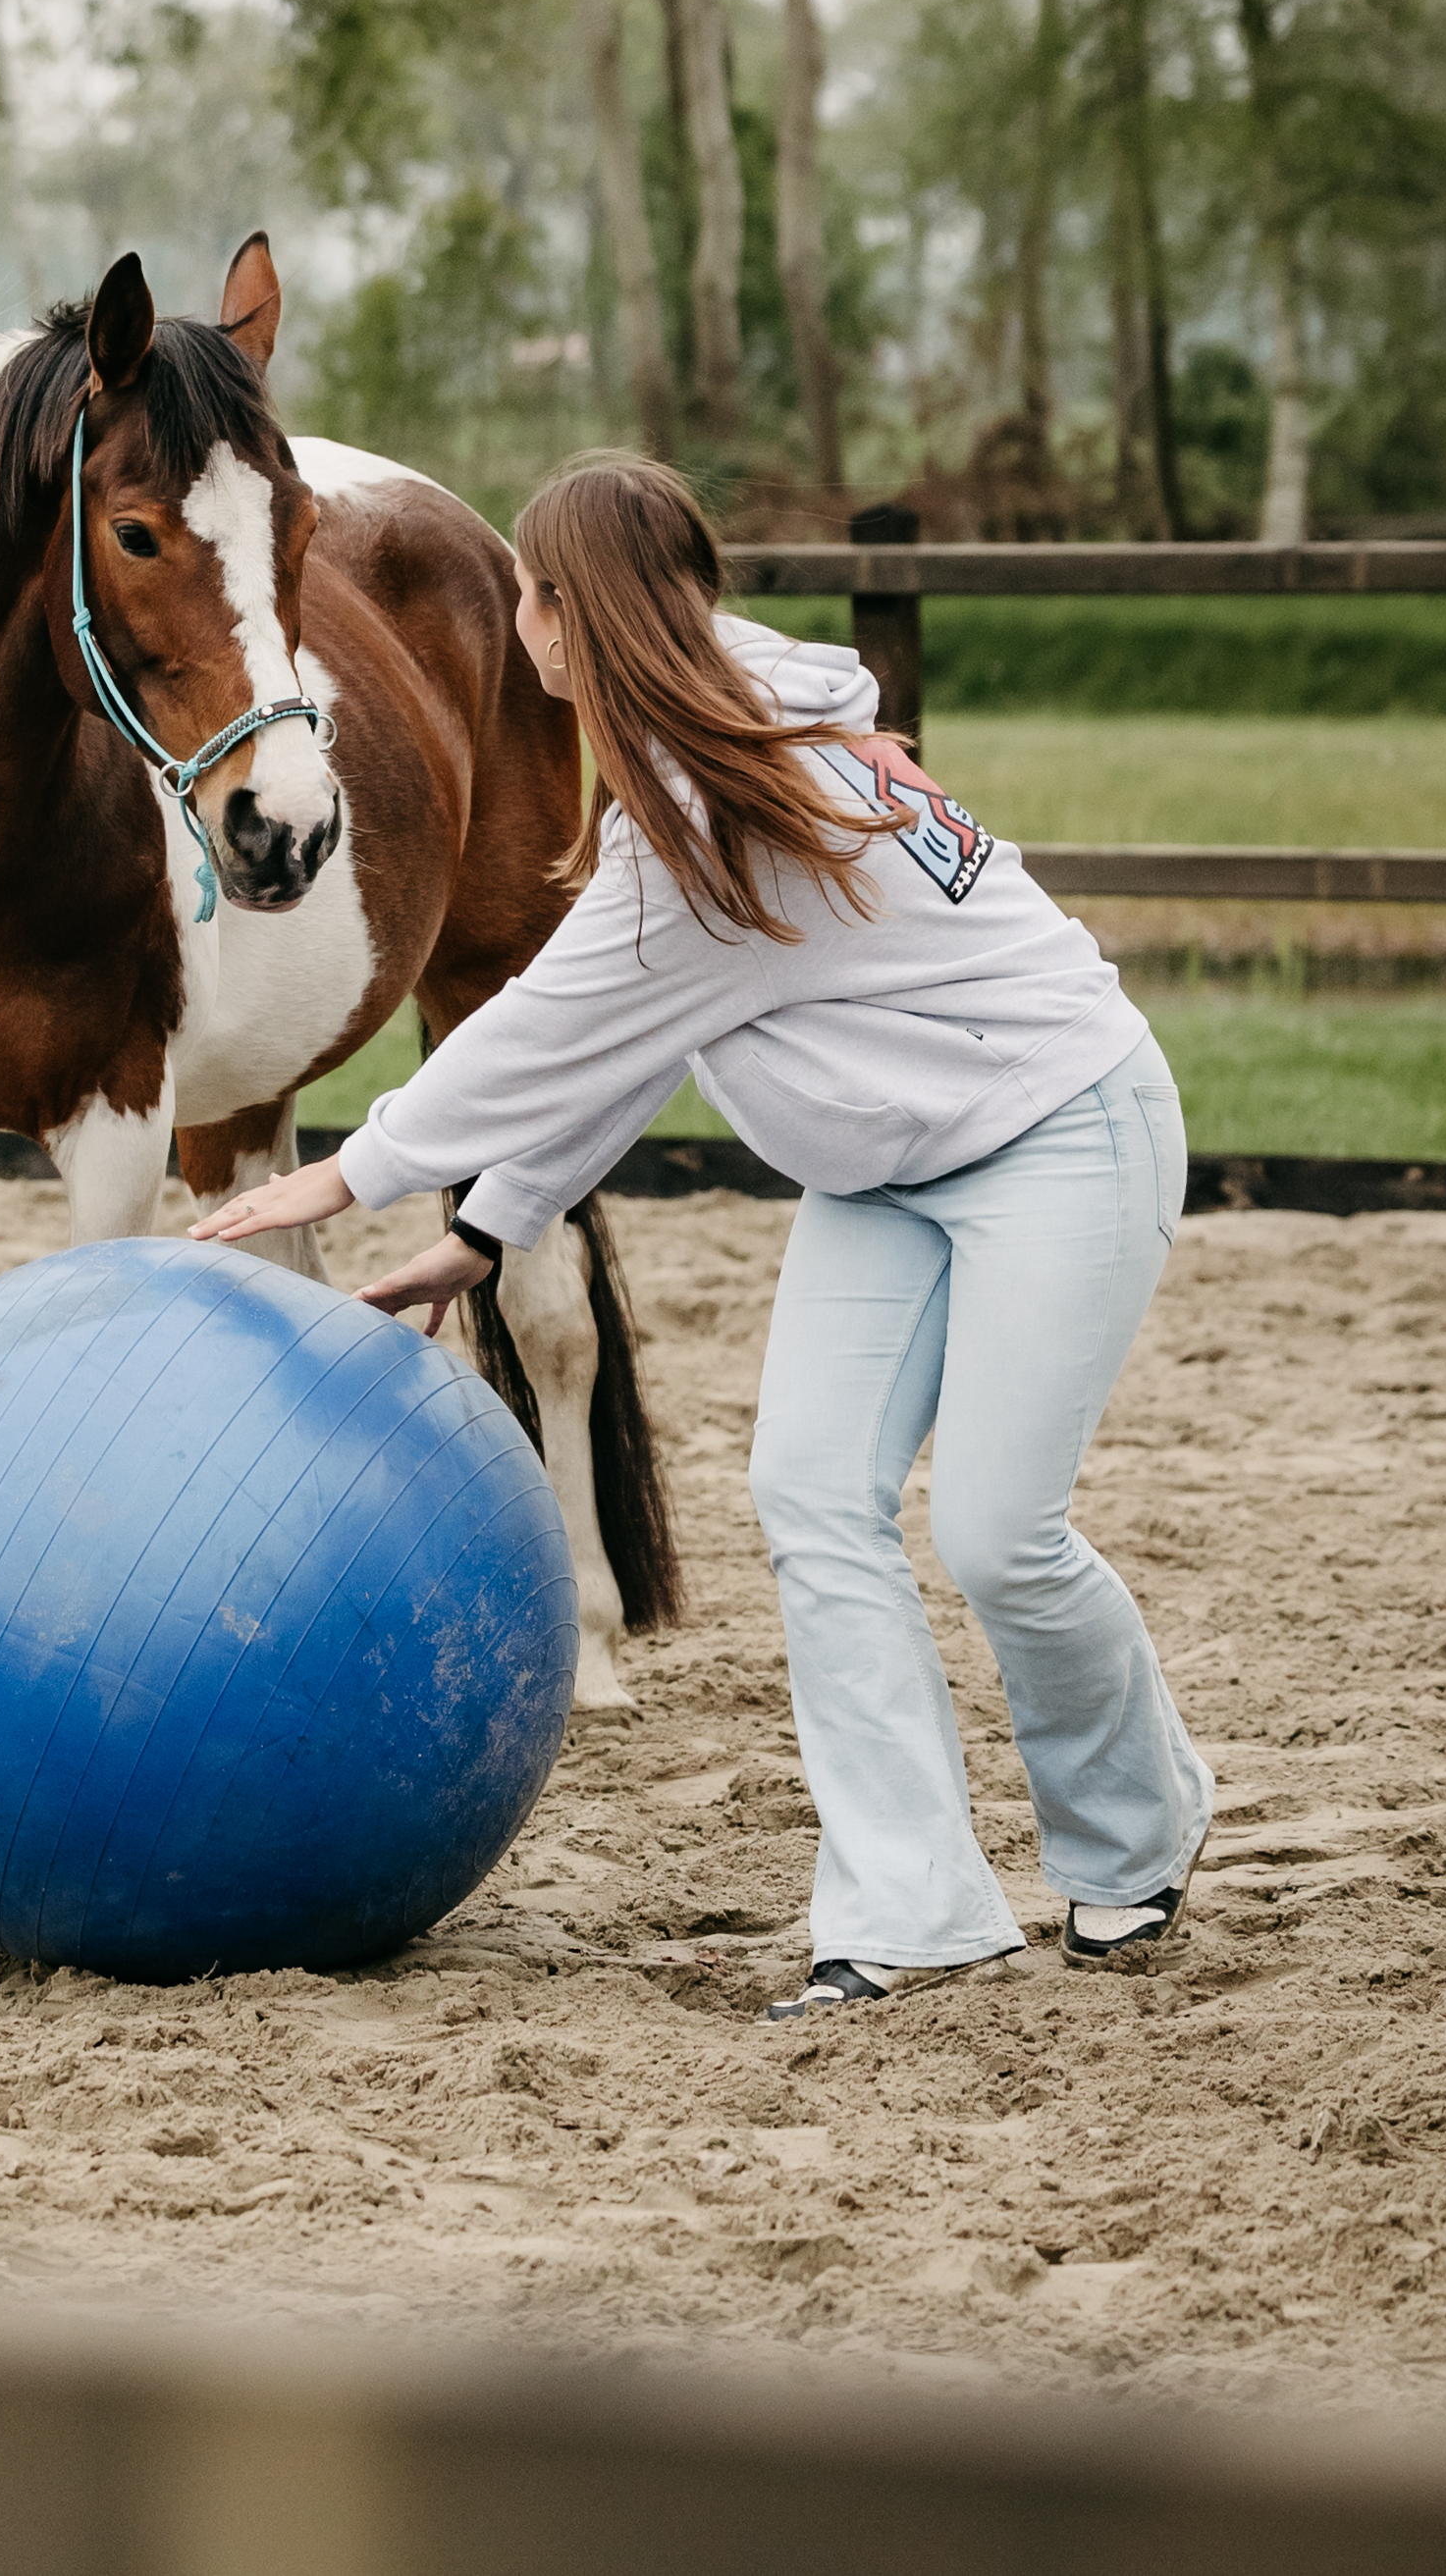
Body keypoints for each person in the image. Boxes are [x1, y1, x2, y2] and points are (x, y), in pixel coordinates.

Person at [190, 453, 1210, 2022]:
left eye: (527, 587)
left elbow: (549, 1031)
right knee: (813, 1494)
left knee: (1001, 1532)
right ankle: (914, 1910)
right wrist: (492, 1225)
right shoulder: (716, 733)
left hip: (1063, 1129)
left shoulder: (715, 809)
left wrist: (348, 1176)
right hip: (891, 1169)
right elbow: (637, 1041)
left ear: (559, 614)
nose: (518, 616)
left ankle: (1134, 1847)